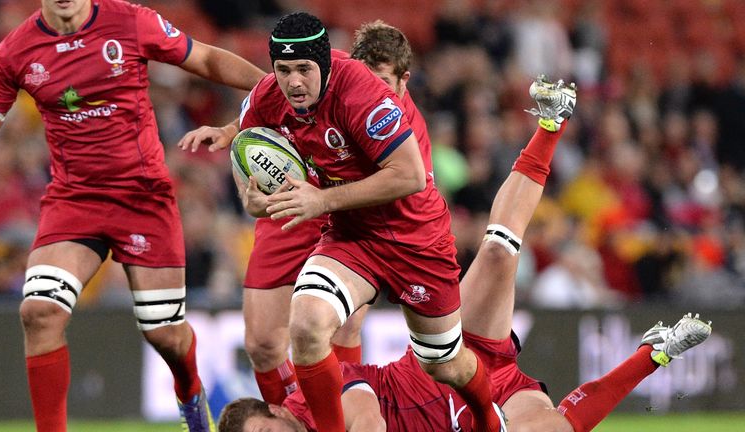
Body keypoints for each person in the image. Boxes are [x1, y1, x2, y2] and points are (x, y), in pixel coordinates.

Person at [214, 76, 713, 432]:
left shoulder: (310, 398)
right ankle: (656, 352)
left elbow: (364, 416)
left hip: (449, 357)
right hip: (485, 409)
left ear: (275, 411)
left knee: (498, 252)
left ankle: (550, 124)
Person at [0, 0, 266, 430]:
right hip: (73, 202)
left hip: (142, 200)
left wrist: (270, 88)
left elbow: (203, 57)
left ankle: (191, 398)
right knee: (39, 312)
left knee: (165, 335)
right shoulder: (15, 51)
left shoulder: (130, 21)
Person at [236, 11, 507, 432]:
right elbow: (246, 159)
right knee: (307, 324)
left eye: (304, 69)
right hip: (352, 236)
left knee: (444, 363)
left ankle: (490, 418)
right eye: (283, 69)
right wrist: (255, 200)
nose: (293, 82)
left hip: (416, 237)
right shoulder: (266, 98)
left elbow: (410, 176)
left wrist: (322, 199)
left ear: (326, 64)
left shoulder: (362, 93)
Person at [176, 20, 434, 407]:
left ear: (404, 81)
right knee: (262, 344)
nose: (378, 93)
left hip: (353, 214)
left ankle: (335, 420)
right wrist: (240, 161)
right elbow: (254, 127)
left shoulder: (401, 125)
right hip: (295, 201)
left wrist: (330, 202)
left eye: (385, 82)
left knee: (342, 330)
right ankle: (295, 418)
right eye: (370, 79)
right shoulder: (314, 76)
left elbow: (407, 185)